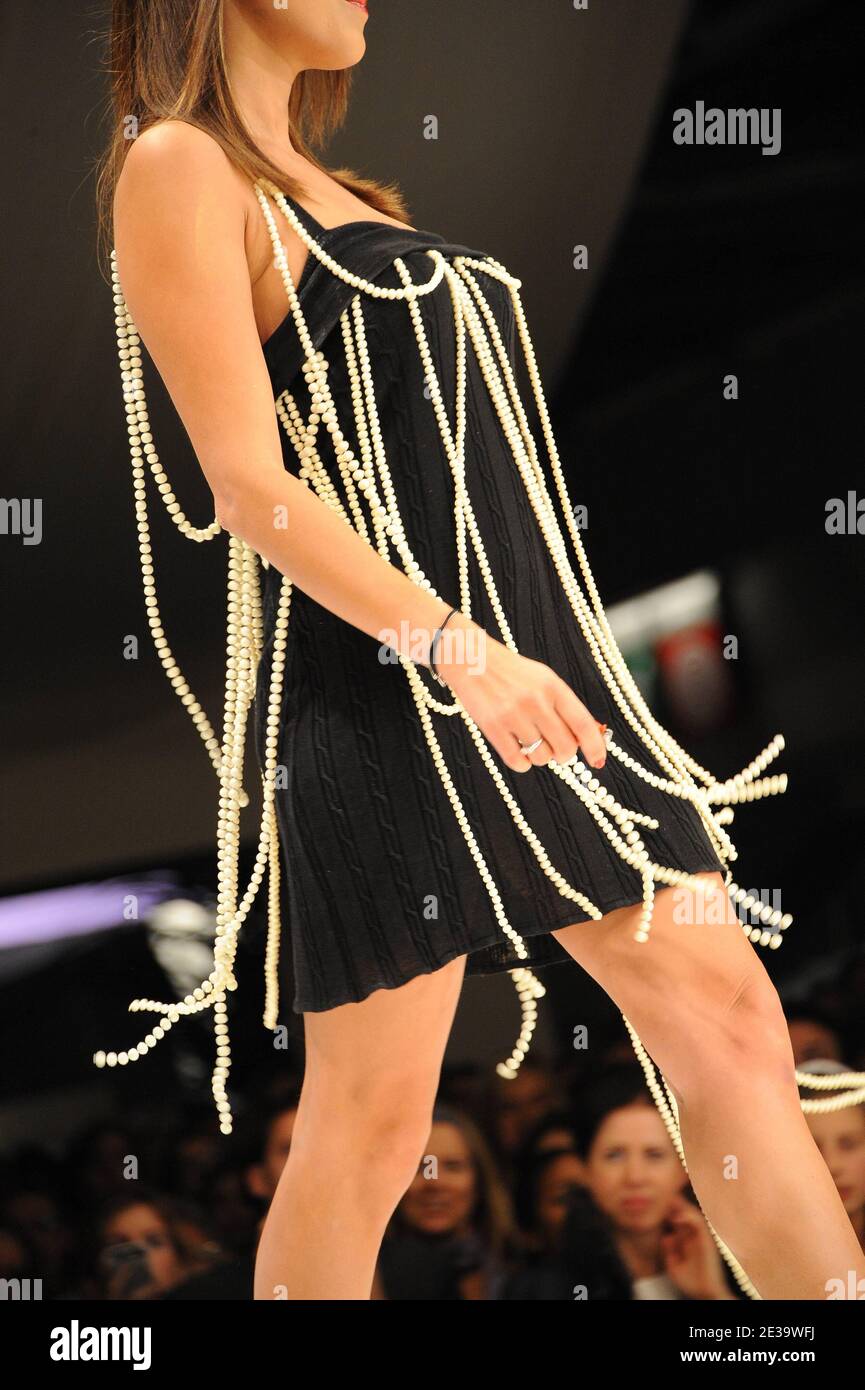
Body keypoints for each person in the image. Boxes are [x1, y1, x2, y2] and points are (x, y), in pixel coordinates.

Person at [92, 0, 865, 1299]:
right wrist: (451, 649)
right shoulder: (179, 165)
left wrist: (498, 651)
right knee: (373, 1125)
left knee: (729, 1015)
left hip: (538, 675)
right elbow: (246, 481)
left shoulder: (349, 191)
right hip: (391, 688)